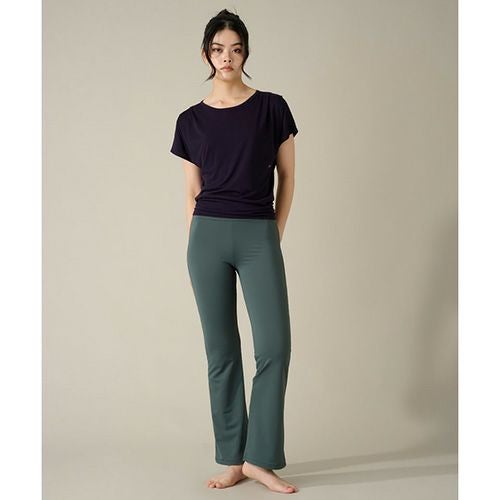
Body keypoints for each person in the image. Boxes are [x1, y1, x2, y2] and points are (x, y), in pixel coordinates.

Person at [170, 9, 299, 494]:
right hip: (206, 237)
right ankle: (232, 458)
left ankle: (260, 458)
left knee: (274, 347)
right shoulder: (190, 120)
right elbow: (191, 192)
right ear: (207, 54)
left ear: (246, 53)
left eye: (236, 49)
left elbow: (287, 176)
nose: (227, 57)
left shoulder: (271, 108)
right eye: (219, 49)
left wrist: (273, 232)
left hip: (257, 233)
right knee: (221, 352)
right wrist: (194, 244)